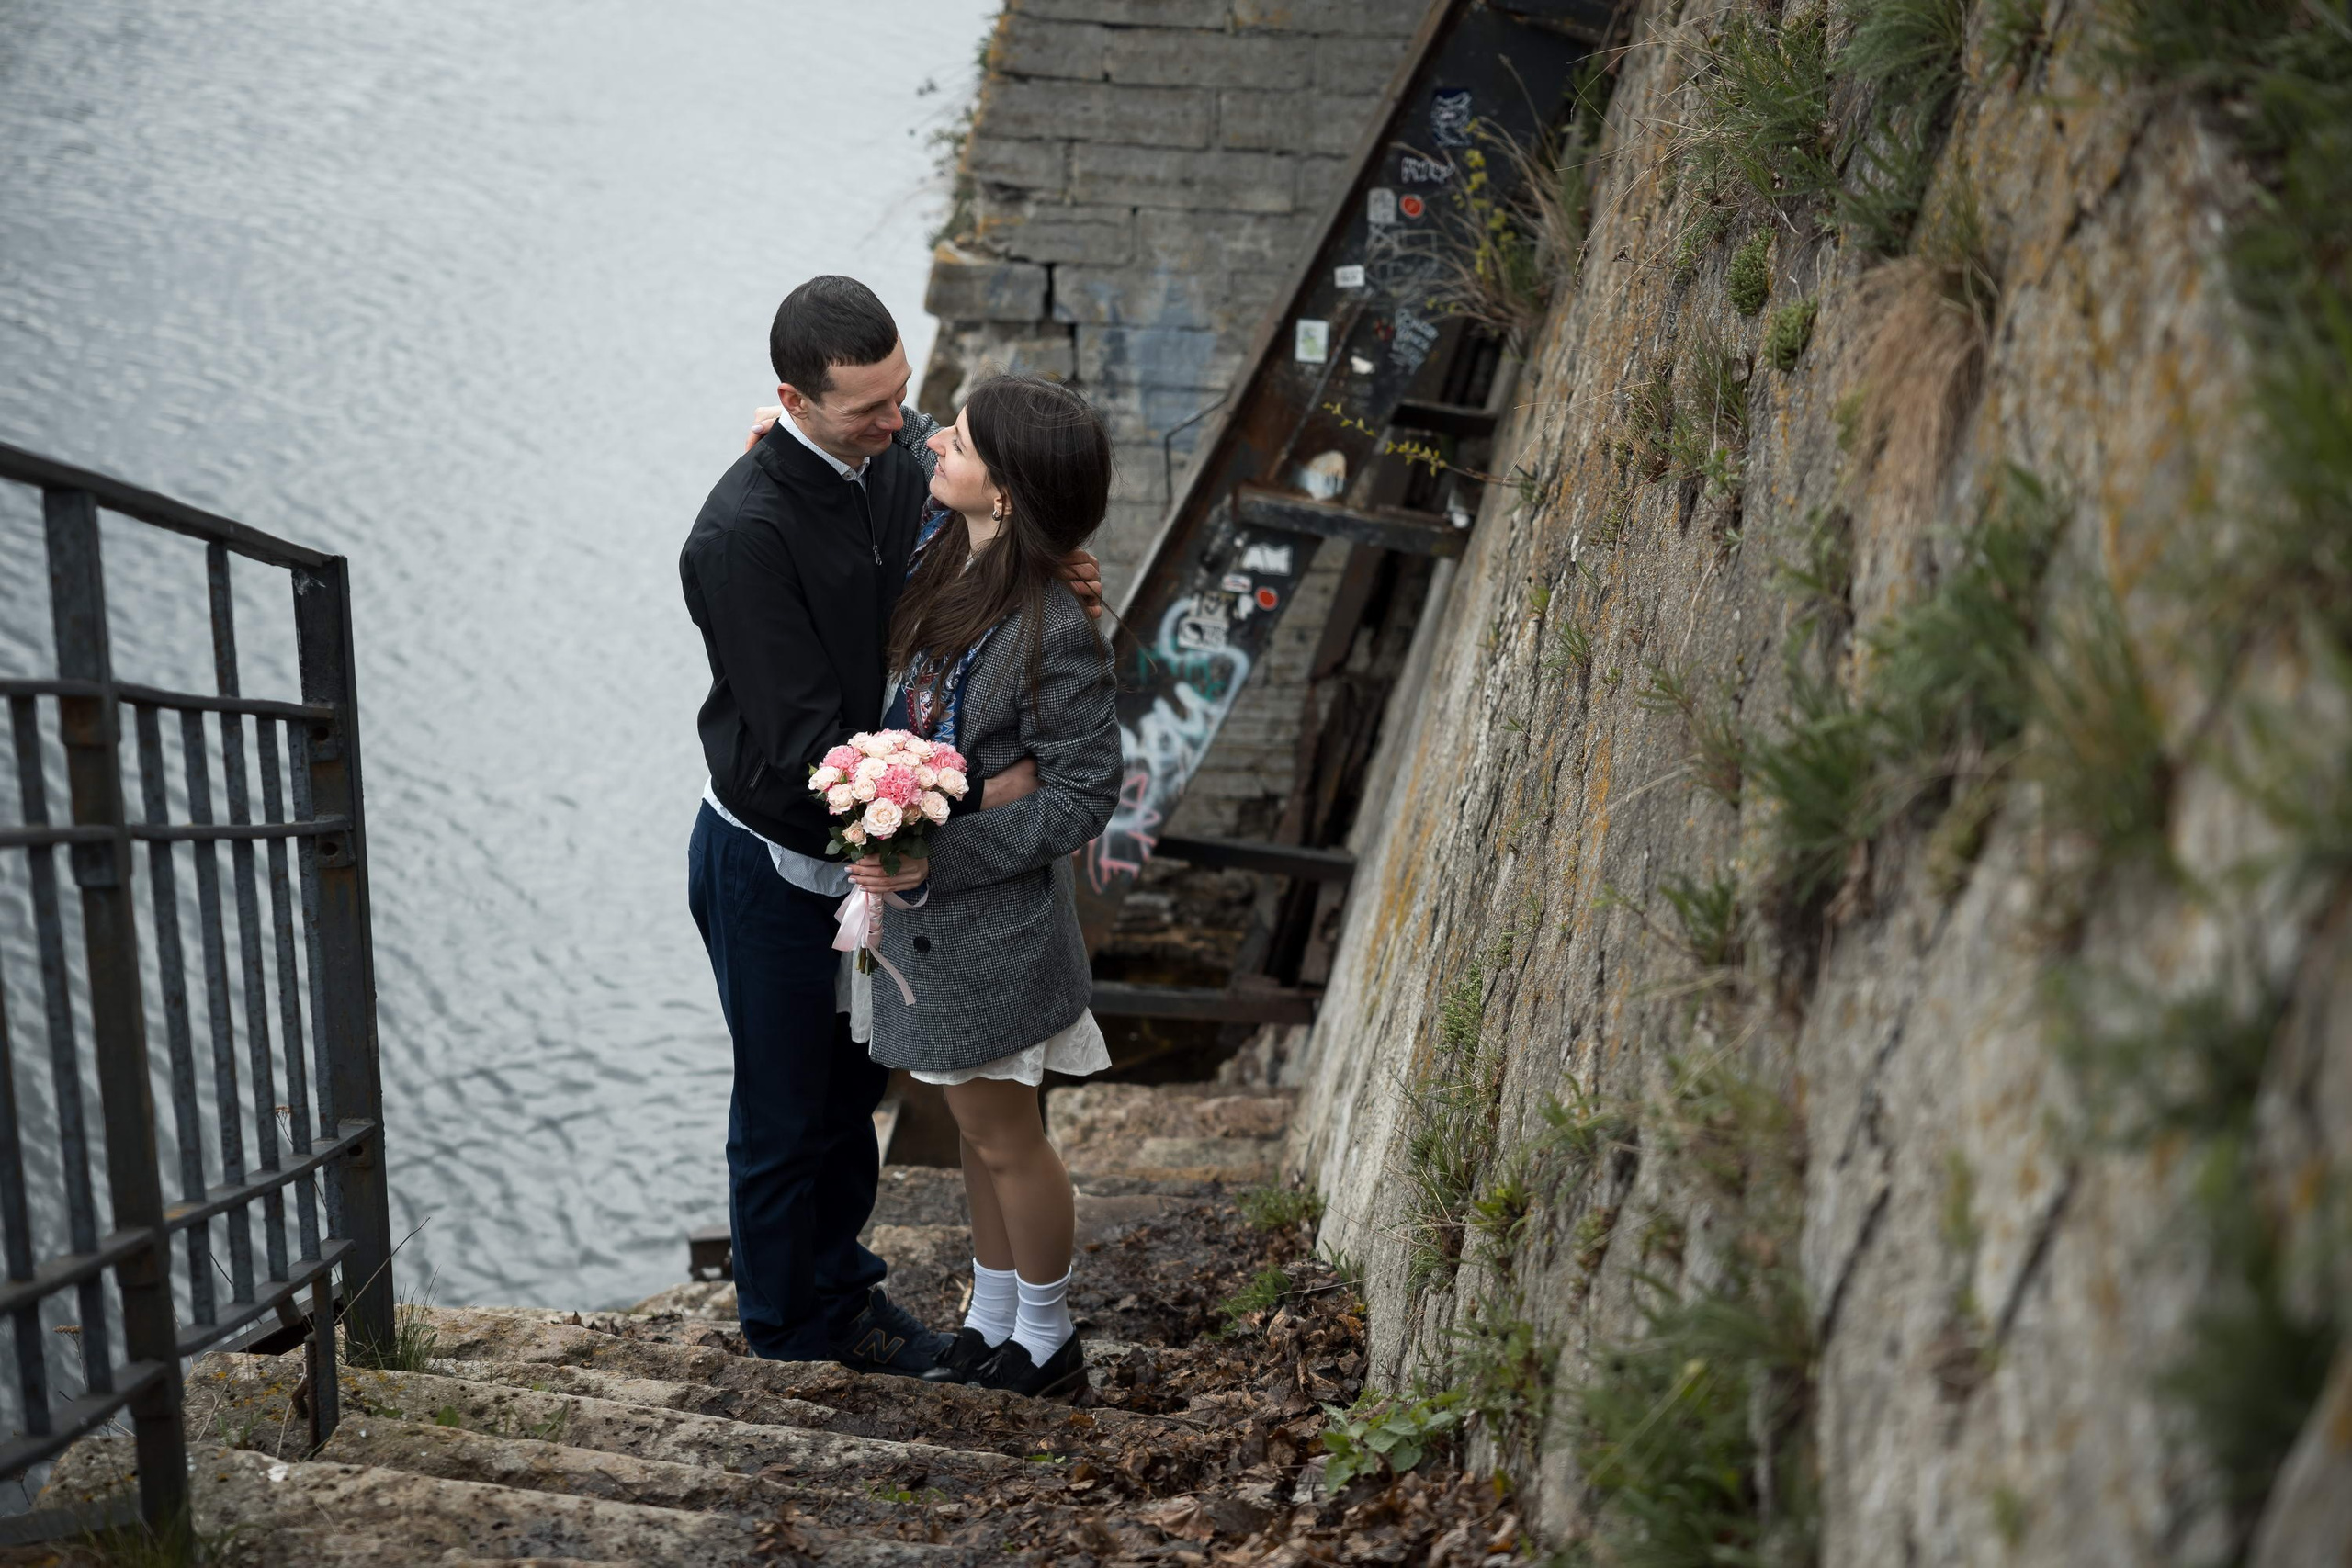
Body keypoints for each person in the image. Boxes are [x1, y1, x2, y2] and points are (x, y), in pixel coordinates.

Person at [680, 276, 1097, 1373]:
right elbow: (799, 749)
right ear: (791, 398)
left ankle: (846, 1295)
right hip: (774, 859)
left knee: (853, 1095)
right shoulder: (739, 538)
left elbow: (993, 496)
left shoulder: (885, 459)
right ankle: (786, 1332)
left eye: (904, 396)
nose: (901, 425)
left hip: (884, 864)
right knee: (783, 1112)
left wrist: (1047, 556)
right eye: (869, 409)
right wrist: (959, 804)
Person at [842, 375, 1121, 1399]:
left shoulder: (1052, 623)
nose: (933, 446)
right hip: (929, 933)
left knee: (1009, 1138)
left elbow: (1084, 793)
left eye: (956, 441)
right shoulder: (944, 556)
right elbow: (903, 433)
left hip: (994, 930)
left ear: (1003, 490)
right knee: (973, 1131)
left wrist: (936, 853)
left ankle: (1047, 1345)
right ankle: (991, 1316)